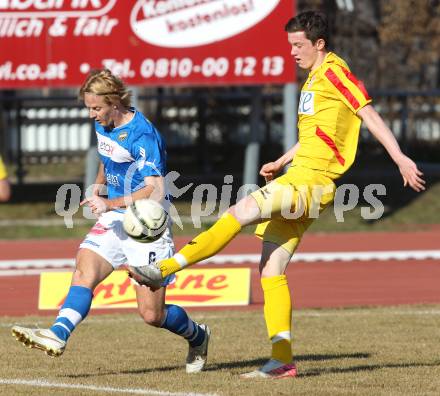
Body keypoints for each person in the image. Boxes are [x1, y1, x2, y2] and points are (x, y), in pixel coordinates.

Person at [127, 10, 426, 379]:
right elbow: (315, 137)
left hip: (311, 182)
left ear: (319, 44)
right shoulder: (315, 79)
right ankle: (282, 359)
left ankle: (163, 270)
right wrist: (282, 160)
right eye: (290, 46)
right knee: (270, 268)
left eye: (299, 45)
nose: (293, 53)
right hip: (302, 177)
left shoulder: (334, 72)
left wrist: (400, 158)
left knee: (240, 211)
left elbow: (370, 115)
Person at [11, 69, 210, 374]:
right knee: (84, 267)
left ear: (114, 102)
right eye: (88, 108)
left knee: (151, 314)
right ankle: (58, 333)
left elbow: (155, 189)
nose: (91, 115)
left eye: (96, 108)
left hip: (147, 223)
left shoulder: (142, 135)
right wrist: (98, 186)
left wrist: (110, 202)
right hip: (116, 216)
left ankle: (198, 335)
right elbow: (108, 157)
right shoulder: (104, 123)